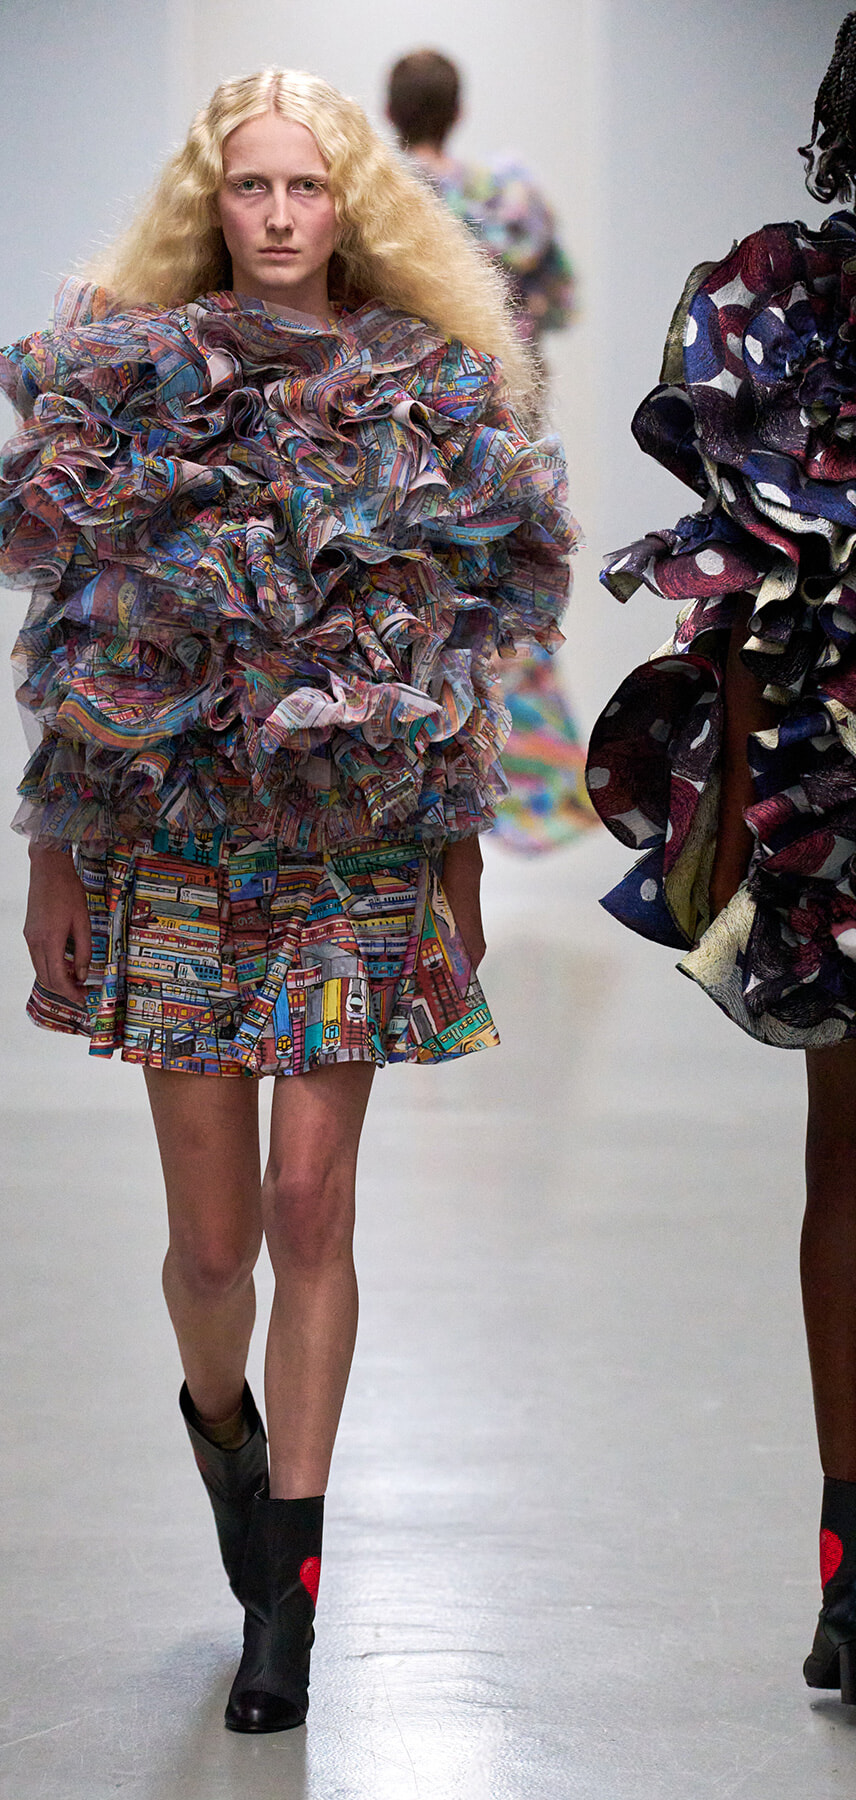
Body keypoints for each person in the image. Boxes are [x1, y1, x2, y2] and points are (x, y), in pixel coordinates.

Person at [0, 67, 575, 1732]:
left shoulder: (432, 390)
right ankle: (224, 1435)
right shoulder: (135, 379)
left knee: (314, 1209)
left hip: (356, 847)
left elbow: (465, 652)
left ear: (354, 204)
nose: (286, 216)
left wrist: (457, 865)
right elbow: (73, 640)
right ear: (212, 204)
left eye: (312, 189)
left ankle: (289, 1591)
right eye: (256, 189)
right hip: (169, 842)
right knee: (212, 1242)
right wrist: (50, 854)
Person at [586, 11, 856, 1706]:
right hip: (842, 781)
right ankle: (851, 1557)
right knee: (852, 1154)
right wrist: (743, 834)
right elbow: (746, 589)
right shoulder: (788, 308)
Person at [387, 49, 595, 857]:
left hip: (402, 437)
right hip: (505, 427)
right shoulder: (508, 200)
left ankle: (413, 786)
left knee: (400, 610)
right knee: (507, 604)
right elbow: (562, 300)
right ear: (458, 108)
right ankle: (528, 790)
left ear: (393, 112)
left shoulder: (379, 201)